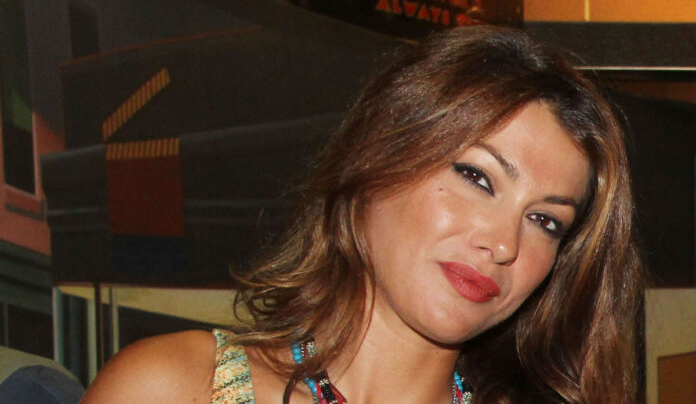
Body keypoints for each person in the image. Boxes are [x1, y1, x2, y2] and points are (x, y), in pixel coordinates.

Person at [80, 26, 644, 404]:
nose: (504, 244)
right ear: (378, 158)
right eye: (477, 178)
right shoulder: (175, 387)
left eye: (545, 221)